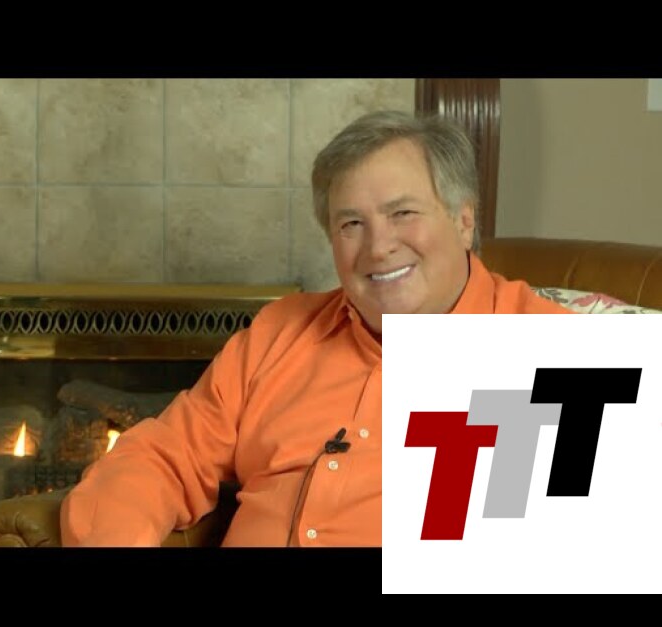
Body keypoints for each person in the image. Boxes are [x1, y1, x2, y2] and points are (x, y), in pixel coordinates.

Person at [59, 109, 571, 548]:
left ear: (464, 221)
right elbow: (162, 457)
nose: (378, 248)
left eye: (403, 213)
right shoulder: (279, 333)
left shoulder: (554, 353)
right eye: (352, 224)